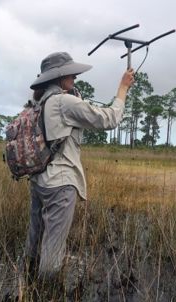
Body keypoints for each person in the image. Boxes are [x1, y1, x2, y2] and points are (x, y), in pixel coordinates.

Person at [25, 51, 135, 282]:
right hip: (61, 184)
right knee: (53, 248)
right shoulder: (63, 102)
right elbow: (109, 119)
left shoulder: (39, 103)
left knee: (35, 240)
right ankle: (47, 299)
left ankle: (28, 288)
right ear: (60, 77)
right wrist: (122, 89)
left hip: (39, 180)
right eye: (71, 75)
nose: (74, 78)